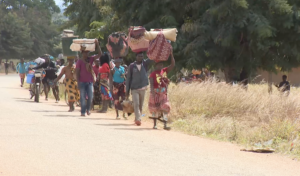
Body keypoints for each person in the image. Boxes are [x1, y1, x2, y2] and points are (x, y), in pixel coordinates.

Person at [148, 50, 175, 130]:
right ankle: (155, 124)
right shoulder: (152, 74)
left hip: (163, 93)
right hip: (155, 92)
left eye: (161, 64)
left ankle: (165, 124)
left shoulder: (164, 71)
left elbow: (172, 65)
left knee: (166, 107)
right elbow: (151, 84)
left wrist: (171, 55)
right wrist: (153, 94)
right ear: (156, 66)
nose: (160, 66)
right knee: (154, 109)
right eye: (158, 64)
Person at [76, 39, 102, 116]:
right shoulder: (79, 61)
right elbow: (77, 72)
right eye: (85, 52)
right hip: (82, 82)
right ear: (82, 53)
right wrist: (78, 82)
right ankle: (83, 111)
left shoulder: (90, 59)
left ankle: (88, 109)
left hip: (90, 82)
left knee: (90, 96)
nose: (86, 54)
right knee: (83, 98)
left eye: (87, 52)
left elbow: (100, 54)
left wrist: (97, 44)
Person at [126, 52, 153, 126]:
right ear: (136, 57)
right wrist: (127, 91)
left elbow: (152, 58)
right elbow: (128, 79)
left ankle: (137, 118)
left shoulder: (145, 64)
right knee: (136, 103)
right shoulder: (132, 66)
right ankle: (138, 119)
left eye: (142, 56)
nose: (140, 57)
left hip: (143, 88)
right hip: (134, 88)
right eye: (139, 56)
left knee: (140, 105)